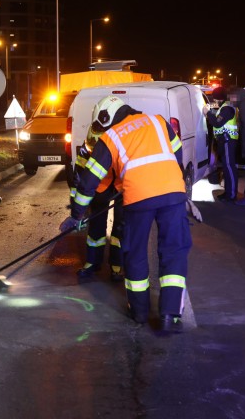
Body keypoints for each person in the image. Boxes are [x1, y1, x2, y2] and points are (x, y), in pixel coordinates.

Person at [60, 95, 192, 334]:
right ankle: (170, 314)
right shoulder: (158, 121)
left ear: (106, 118)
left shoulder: (111, 136)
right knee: (174, 250)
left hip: (138, 197)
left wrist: (77, 214)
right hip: (173, 193)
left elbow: (89, 181)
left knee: (136, 252)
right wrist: (175, 182)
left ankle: (140, 312)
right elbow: (178, 154)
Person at [71, 125, 124, 283]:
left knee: (121, 228)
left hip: (121, 187)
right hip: (99, 188)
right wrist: (76, 210)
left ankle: (116, 265)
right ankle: (93, 262)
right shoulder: (87, 147)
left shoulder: (118, 144)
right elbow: (78, 177)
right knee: (95, 227)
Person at [205, 86, 239, 202]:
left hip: (228, 141)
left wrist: (208, 113)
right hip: (224, 141)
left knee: (229, 168)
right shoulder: (223, 108)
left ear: (219, 98)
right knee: (226, 167)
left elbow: (217, 123)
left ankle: (232, 195)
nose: (215, 102)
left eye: (215, 99)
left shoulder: (227, 109)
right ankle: (228, 193)